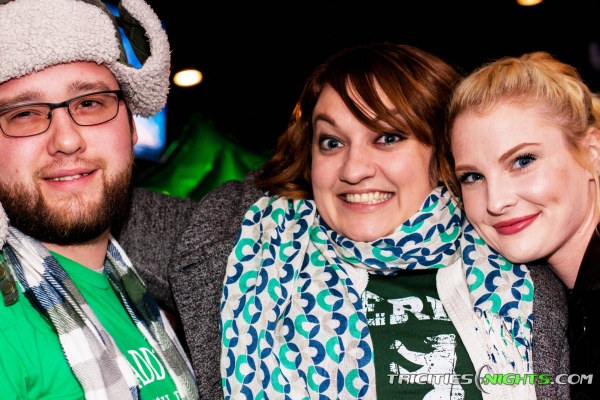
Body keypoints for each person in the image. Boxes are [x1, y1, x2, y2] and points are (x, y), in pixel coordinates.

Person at [214, 42, 569, 399]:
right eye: (332, 143)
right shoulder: (257, 249)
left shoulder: (516, 240)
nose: (353, 170)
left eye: (387, 137)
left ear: (444, 152)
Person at [0, 0, 198, 398]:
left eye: (90, 103)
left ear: (132, 126)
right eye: (24, 114)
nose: (66, 140)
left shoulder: (140, 287)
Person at [442, 51, 600, 399]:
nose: (496, 201)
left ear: (592, 151)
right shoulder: (550, 299)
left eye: (522, 161)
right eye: (472, 177)